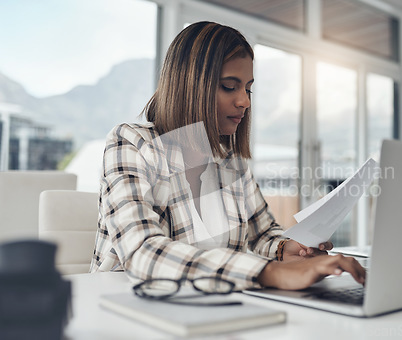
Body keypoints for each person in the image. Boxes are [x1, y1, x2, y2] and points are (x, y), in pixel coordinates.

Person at [90, 21, 365, 291]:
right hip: (127, 310)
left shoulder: (229, 161)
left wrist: (287, 250)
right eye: (229, 86)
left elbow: (263, 232)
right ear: (190, 87)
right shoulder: (131, 143)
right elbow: (142, 252)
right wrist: (269, 273)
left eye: (248, 88)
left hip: (212, 306)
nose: (245, 101)